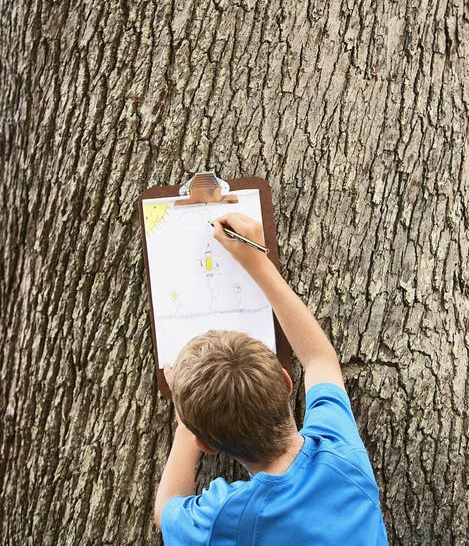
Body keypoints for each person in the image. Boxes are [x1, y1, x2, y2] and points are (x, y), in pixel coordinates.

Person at [154, 212, 388, 545]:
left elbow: (166, 513)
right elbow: (319, 358)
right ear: (285, 381)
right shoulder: (339, 451)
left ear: (204, 444)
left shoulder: (224, 516)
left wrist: (184, 424)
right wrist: (259, 263)